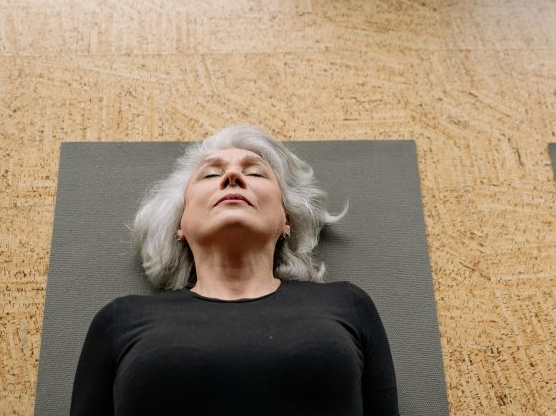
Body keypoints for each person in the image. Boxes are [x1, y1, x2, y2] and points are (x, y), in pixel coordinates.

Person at [70, 125, 399, 416]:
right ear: (179, 224)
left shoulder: (347, 305)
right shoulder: (120, 319)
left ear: (287, 220)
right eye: (210, 175)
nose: (233, 177)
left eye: (255, 172)